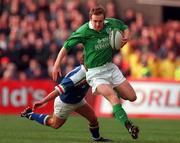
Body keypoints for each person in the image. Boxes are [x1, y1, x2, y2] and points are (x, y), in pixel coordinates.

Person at [52, 5, 139, 139]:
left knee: (132, 97)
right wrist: (57, 64)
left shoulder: (110, 23)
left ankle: (115, 92)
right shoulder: (84, 31)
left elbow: (124, 27)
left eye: (100, 21)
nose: (98, 24)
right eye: (95, 21)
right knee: (113, 98)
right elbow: (66, 46)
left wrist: (125, 38)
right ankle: (128, 125)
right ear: (90, 19)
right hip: (95, 74)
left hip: (110, 67)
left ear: (104, 19)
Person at [20, 65, 111, 142]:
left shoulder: (92, 70)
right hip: (65, 103)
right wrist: (43, 101)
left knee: (93, 118)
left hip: (78, 100)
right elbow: (58, 91)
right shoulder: (77, 76)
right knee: (55, 124)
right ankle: (30, 114)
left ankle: (96, 138)